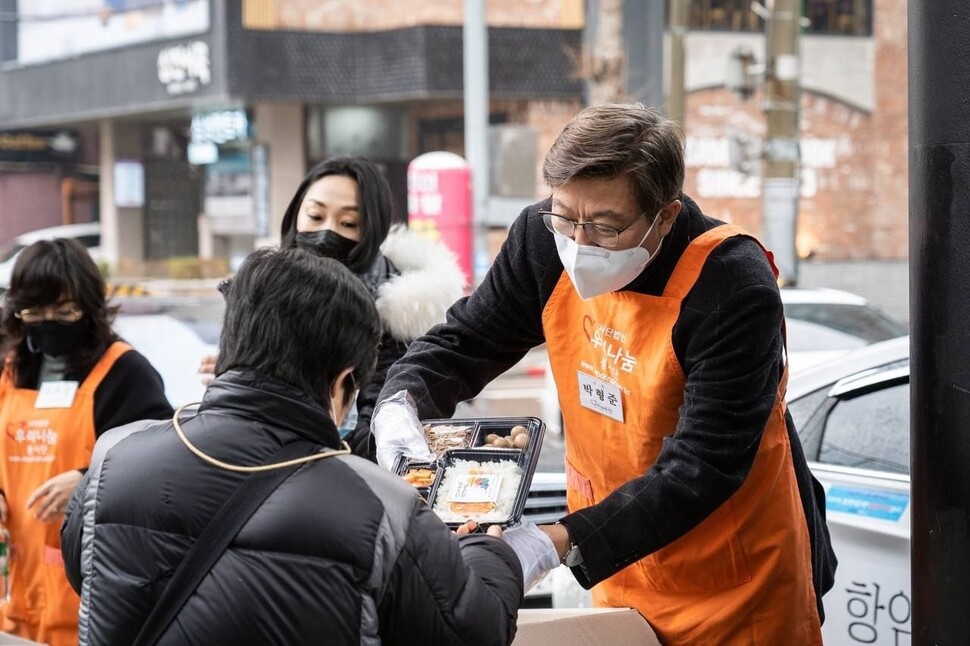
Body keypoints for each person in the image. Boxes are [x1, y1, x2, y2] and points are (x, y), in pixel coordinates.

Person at [372, 103, 838, 644]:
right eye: (566, 216)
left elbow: (703, 465)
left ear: (664, 215)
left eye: (606, 228)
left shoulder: (732, 286)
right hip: (617, 553)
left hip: (736, 576)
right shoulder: (542, 238)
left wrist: (552, 542)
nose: (578, 244)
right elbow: (467, 339)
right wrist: (401, 401)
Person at [63, 248, 523, 646]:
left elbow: (87, 571)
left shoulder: (112, 458)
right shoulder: (385, 508)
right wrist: (488, 550)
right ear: (343, 383)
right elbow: (474, 631)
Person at [201, 155, 464, 460]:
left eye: (349, 223)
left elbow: (376, 446)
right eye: (315, 216)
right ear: (294, 216)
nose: (327, 232)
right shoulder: (260, 298)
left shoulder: (399, 319)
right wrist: (240, 375)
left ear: (373, 232)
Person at [0, 238, 172, 646]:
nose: (49, 323)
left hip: (87, 591)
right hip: (16, 594)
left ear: (90, 309)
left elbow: (161, 466)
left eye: (64, 312)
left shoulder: (124, 373)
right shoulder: (9, 368)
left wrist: (87, 478)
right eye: (35, 314)